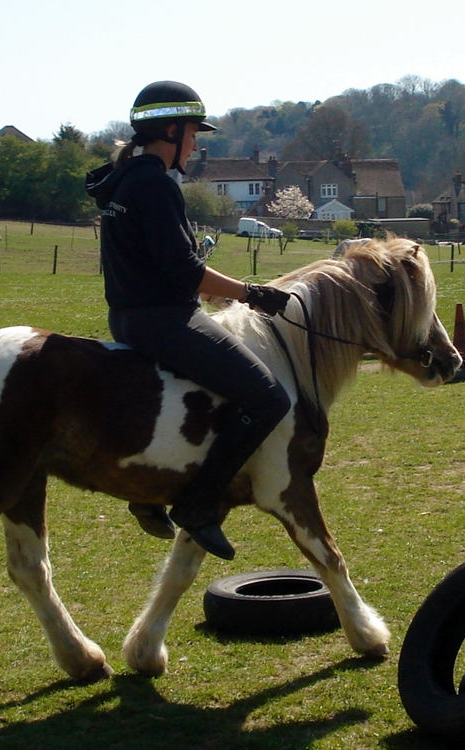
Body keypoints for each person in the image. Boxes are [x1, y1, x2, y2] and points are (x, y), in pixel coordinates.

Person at [85, 81, 292, 560]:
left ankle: (150, 487)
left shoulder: (126, 180)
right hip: (166, 321)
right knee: (268, 399)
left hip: (128, 318)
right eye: (193, 134)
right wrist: (252, 293)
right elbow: (184, 271)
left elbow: (163, 262)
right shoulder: (156, 184)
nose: (196, 145)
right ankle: (198, 504)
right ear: (171, 132)